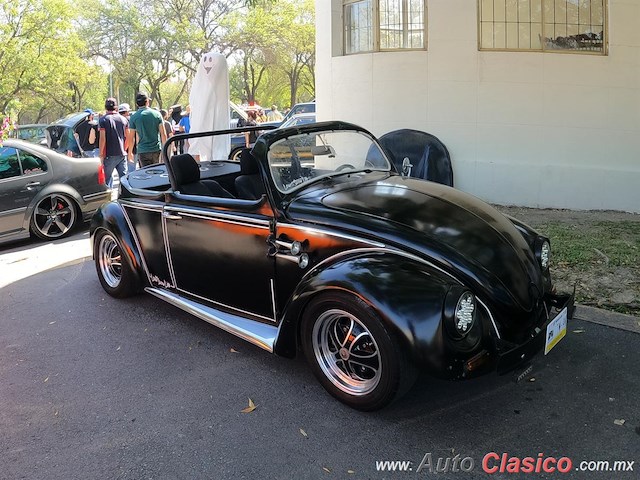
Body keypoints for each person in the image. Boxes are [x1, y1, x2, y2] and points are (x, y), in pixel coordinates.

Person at [127, 92, 166, 167]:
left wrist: (130, 153)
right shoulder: (157, 114)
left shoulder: (134, 117)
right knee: (157, 172)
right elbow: (163, 134)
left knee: (146, 175)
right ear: (147, 101)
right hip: (156, 149)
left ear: (137, 104)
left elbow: (131, 138)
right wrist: (165, 149)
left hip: (142, 150)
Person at [99, 97, 128, 189]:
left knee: (106, 181)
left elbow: (102, 138)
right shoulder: (123, 119)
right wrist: (125, 149)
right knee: (124, 180)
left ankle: (107, 201)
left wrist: (101, 154)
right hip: (121, 154)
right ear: (116, 107)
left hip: (109, 155)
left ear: (105, 107)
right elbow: (128, 137)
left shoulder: (103, 120)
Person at [118, 103, 136, 172]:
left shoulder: (118, 120)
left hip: (121, 149)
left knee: (124, 171)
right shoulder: (130, 120)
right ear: (127, 112)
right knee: (131, 171)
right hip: (132, 148)